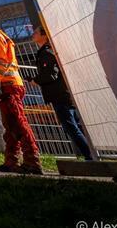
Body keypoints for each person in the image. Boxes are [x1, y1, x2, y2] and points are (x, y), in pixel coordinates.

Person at [0, 8, 41, 174]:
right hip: (4, 85)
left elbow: (0, 59)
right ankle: (11, 161)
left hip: (7, 84)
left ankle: (32, 161)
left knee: (18, 123)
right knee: (10, 125)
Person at [32, 26, 95, 161]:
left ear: (44, 36)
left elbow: (51, 74)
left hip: (59, 95)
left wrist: (35, 80)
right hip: (64, 94)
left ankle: (90, 156)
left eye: (36, 32)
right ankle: (91, 154)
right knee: (76, 126)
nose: (33, 34)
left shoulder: (46, 53)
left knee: (71, 128)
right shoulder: (50, 51)